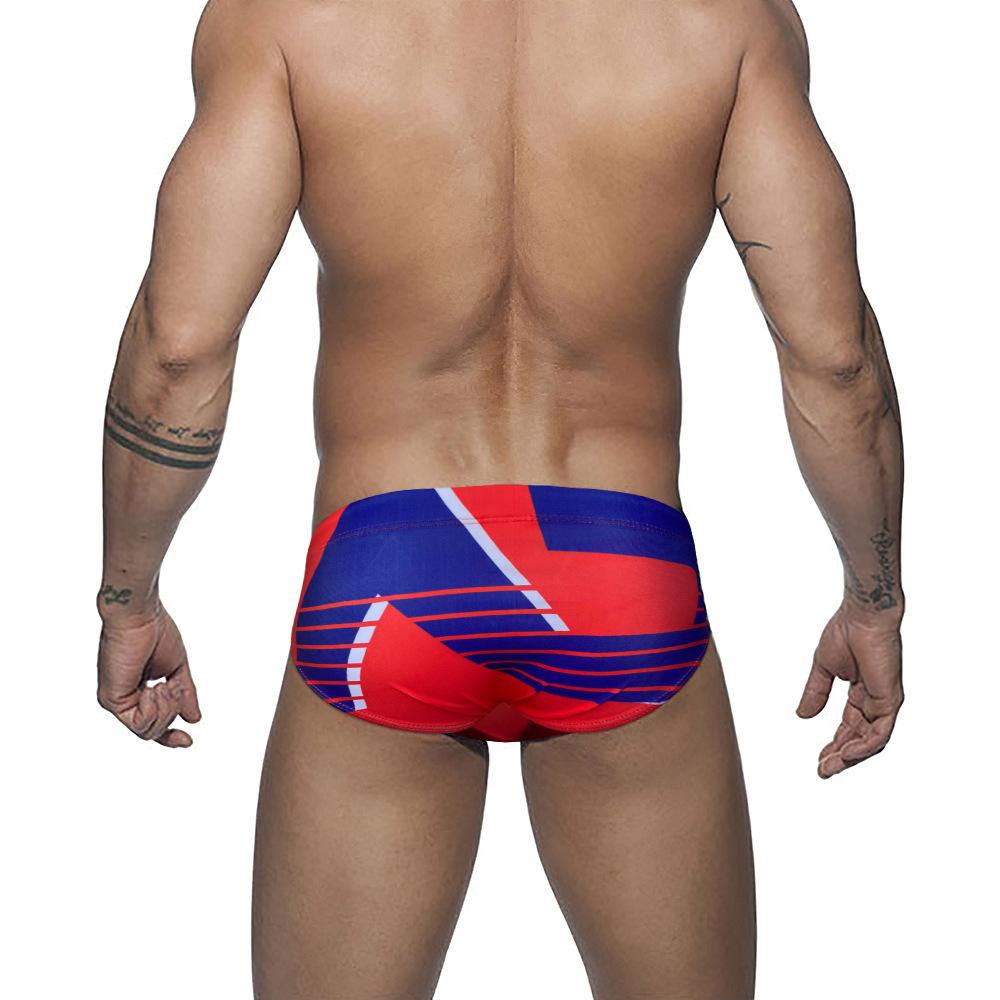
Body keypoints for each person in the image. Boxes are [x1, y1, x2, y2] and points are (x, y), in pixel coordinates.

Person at [94, 1, 904, 997]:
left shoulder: (288, 16)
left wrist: (128, 596)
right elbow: (833, 359)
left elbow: (178, 350)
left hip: (387, 582)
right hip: (617, 572)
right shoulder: (723, 19)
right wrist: (874, 600)